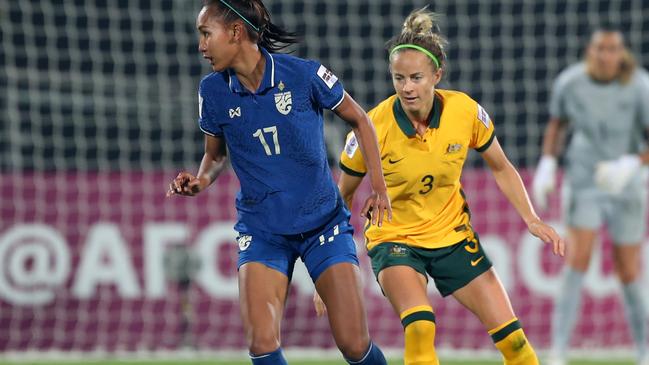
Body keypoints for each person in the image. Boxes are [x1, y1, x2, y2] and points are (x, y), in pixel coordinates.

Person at [314, 7, 564, 365]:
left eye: (416, 77)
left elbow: (502, 167)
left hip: (452, 237)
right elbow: (344, 195)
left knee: (517, 346)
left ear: (437, 75)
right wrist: (328, 266)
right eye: (398, 78)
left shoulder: (465, 112)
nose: (407, 87)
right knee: (420, 327)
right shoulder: (372, 127)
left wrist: (532, 219)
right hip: (394, 239)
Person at [167, 1, 393, 364]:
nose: (201, 46)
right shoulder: (212, 91)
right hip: (263, 231)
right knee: (261, 344)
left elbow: (362, 121)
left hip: (323, 224)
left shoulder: (303, 75)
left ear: (236, 33)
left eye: (206, 34)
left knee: (354, 344)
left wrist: (379, 188)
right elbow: (216, 154)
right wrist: (200, 180)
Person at [533, 25, 649, 365]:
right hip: (584, 180)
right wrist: (547, 163)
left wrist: (632, 163)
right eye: (600, 48)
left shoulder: (640, 85)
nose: (606, 55)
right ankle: (558, 352)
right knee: (576, 261)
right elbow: (557, 125)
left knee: (628, 270)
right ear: (591, 51)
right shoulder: (570, 82)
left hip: (625, 184)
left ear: (621, 53)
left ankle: (644, 350)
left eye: (613, 49)